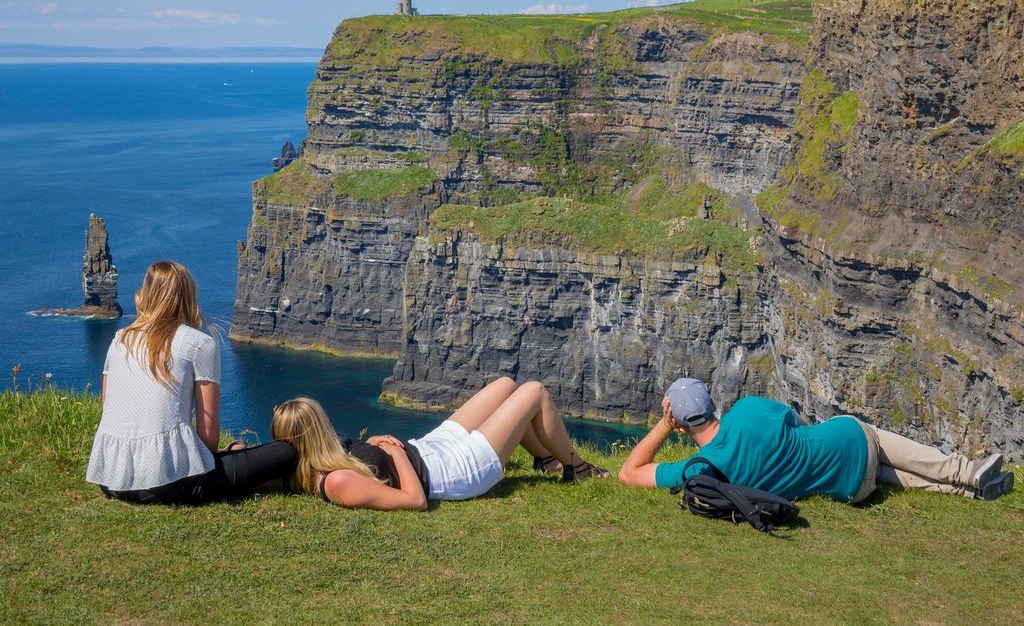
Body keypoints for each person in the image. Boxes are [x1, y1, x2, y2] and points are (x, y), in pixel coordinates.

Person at [85, 261, 296, 504]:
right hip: (166, 484)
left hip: (111, 478)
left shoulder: (120, 338)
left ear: (146, 293)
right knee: (285, 451)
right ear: (187, 295)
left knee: (238, 458)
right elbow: (208, 435)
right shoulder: (199, 344)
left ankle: (237, 455)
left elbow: (107, 405)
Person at [619, 377, 1014, 503]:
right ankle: (967, 471)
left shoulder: (702, 469)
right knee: (869, 439)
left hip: (851, 490)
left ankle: (970, 493)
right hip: (848, 443)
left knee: (881, 471)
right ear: (713, 404)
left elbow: (629, 472)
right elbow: (794, 419)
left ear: (683, 425)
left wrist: (663, 427)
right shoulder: (747, 410)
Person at [270, 377, 609, 511]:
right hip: (454, 470)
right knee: (533, 392)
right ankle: (576, 468)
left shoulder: (327, 460)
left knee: (506, 385)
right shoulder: (335, 481)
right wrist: (392, 451)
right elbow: (415, 500)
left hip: (431, 447)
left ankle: (545, 460)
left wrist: (373, 444)